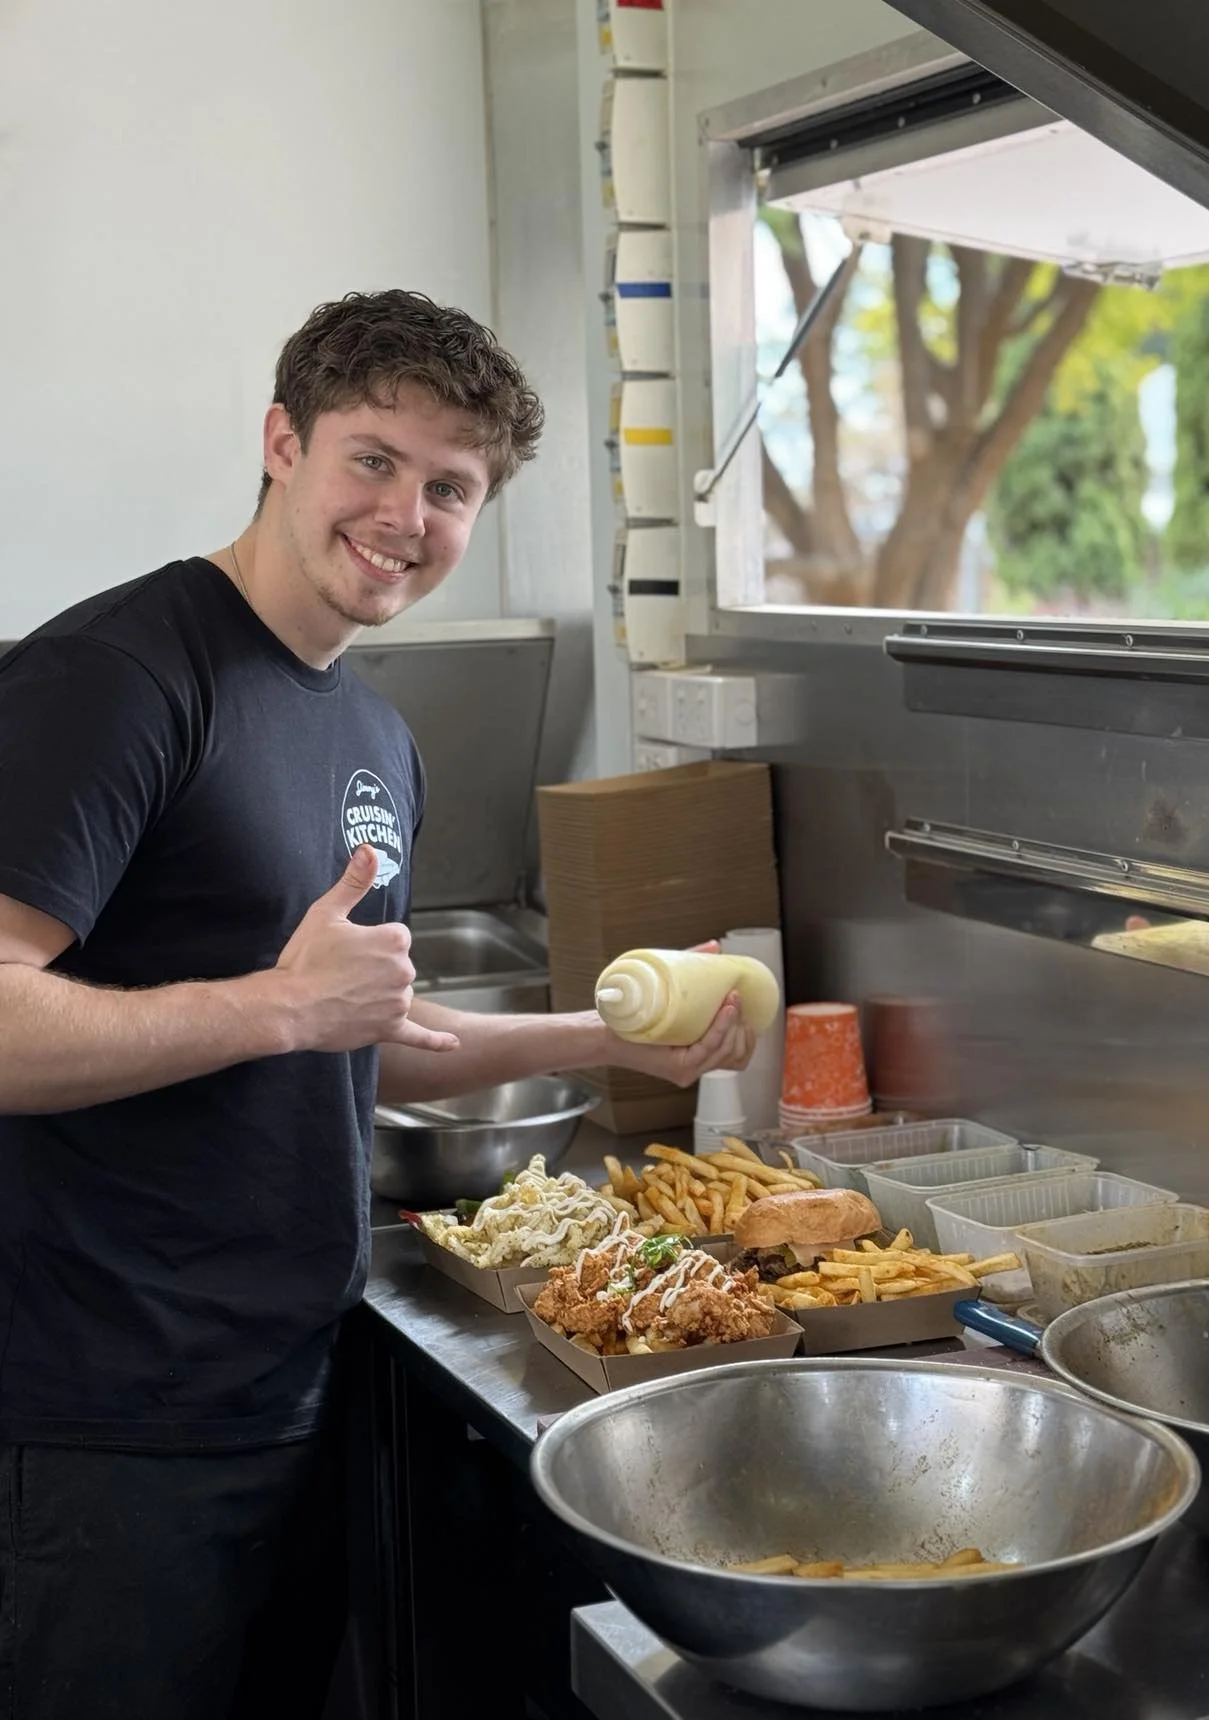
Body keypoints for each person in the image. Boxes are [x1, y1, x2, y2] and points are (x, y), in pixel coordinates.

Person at [0, 290, 754, 1720]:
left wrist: (609, 1036)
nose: (408, 515)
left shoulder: (367, 729)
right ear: (281, 442)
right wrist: (275, 1010)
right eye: (373, 460)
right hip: (99, 1408)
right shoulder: (116, 678)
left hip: (288, 1379)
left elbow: (373, 1040)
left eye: (451, 487)